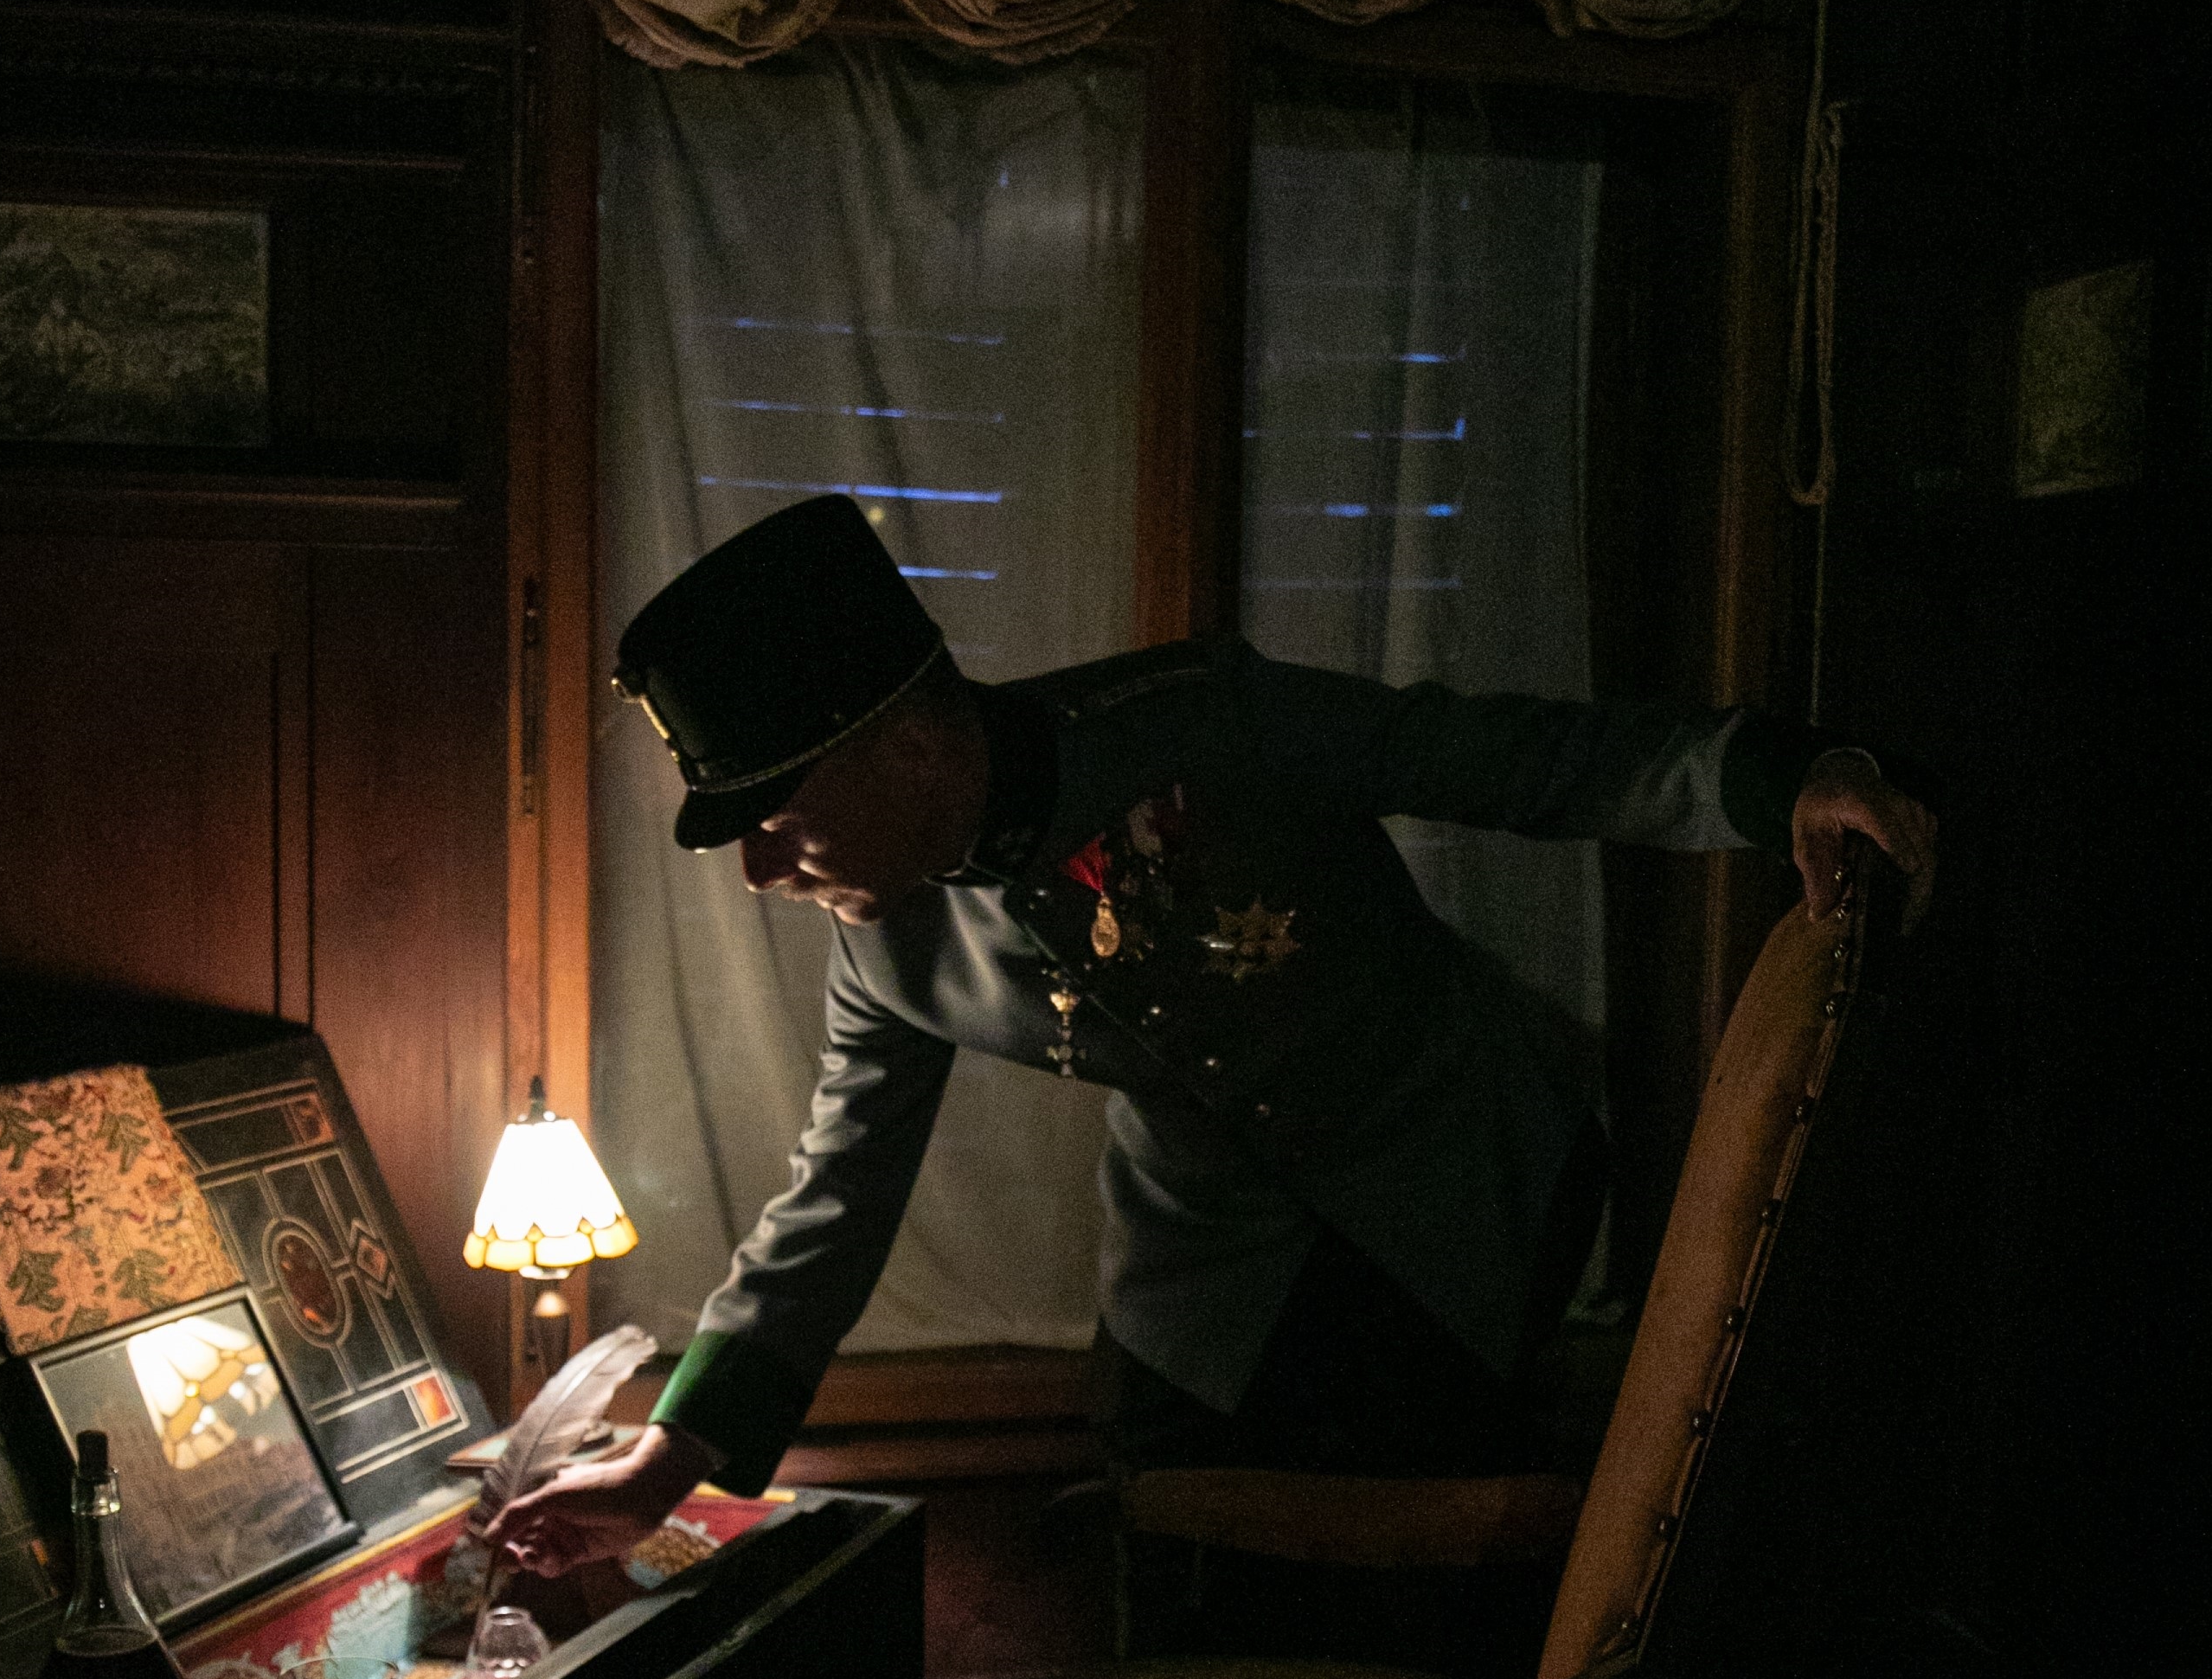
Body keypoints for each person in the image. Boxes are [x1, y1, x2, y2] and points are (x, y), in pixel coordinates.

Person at [495, 494, 1936, 1587]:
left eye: (774, 818)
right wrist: (671, 1459)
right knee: (1187, 1588)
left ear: (913, 745)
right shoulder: (888, 948)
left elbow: (1519, 759)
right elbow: (837, 1198)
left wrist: (1785, 779)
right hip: (1208, 1287)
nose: (759, 871)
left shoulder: (1212, 723)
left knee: (1454, 1587)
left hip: (1461, 1190)